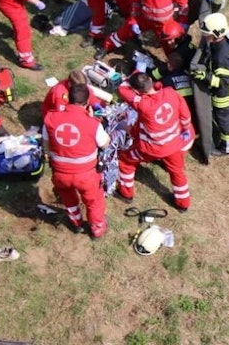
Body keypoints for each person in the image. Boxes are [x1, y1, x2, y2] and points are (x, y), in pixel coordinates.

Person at [116, 72, 194, 210]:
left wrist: (130, 77)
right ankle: (183, 203)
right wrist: (186, 128)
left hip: (151, 148)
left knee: (125, 160)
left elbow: (122, 89)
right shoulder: (170, 93)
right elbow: (185, 114)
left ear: (137, 91)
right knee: (177, 172)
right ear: (151, 80)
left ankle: (126, 193)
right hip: (174, 144)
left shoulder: (142, 104)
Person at [43, 84, 111, 237]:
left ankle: (77, 224)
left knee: (68, 200)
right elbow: (105, 143)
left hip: (60, 173)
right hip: (86, 175)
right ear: (87, 102)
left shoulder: (51, 118)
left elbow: (46, 145)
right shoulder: (92, 123)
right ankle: (97, 228)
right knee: (94, 201)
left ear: (68, 99)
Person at [190, 13, 229, 156]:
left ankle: (228, 148)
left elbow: (222, 82)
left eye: (206, 35)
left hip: (224, 96)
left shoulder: (221, 56)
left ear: (216, 33)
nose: (205, 37)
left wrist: (204, 76)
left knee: (223, 120)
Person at [40, 69, 114, 119]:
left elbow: (89, 95)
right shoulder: (59, 95)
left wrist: (98, 104)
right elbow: (62, 116)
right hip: (54, 116)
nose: (83, 89)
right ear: (69, 84)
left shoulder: (79, 86)